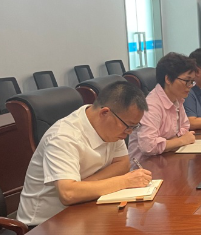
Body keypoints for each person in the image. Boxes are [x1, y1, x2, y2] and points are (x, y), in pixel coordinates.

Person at [17, 81, 151, 226]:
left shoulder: (113, 125)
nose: (129, 132)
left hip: (84, 208)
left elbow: (123, 164)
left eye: (134, 127)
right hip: (45, 224)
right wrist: (125, 181)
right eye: (128, 126)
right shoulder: (63, 137)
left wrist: (84, 185)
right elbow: (68, 194)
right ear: (104, 113)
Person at [128, 52, 197, 163]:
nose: (190, 86)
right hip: (146, 165)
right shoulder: (151, 106)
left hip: (167, 158)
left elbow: (185, 127)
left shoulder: (177, 99)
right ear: (168, 79)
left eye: (192, 82)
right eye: (186, 81)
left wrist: (172, 141)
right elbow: (147, 146)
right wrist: (181, 141)